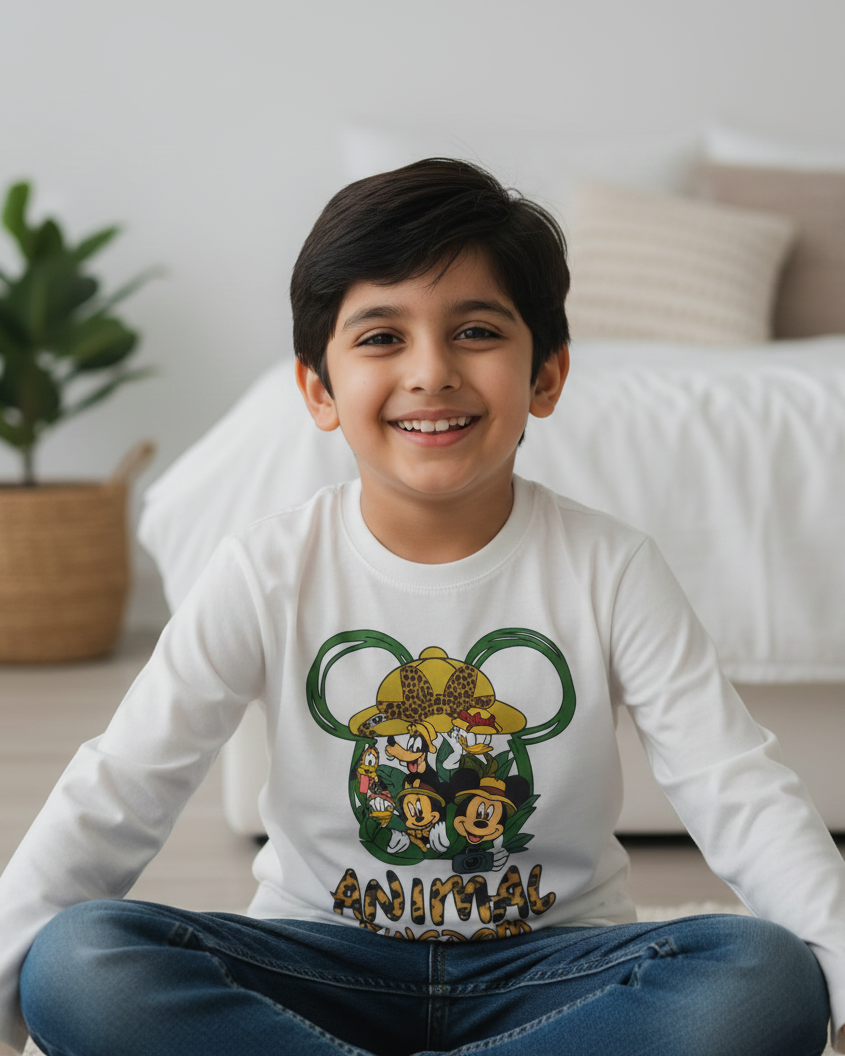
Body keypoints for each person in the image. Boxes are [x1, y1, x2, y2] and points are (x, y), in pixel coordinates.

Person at [0, 158, 843, 1056]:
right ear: (318, 389)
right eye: (380, 338)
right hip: (318, 964)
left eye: (476, 330)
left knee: (765, 976)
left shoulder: (611, 566)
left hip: (551, 973)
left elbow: (735, 789)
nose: (430, 372)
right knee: (77, 959)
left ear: (546, 376)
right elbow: (123, 783)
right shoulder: (264, 567)